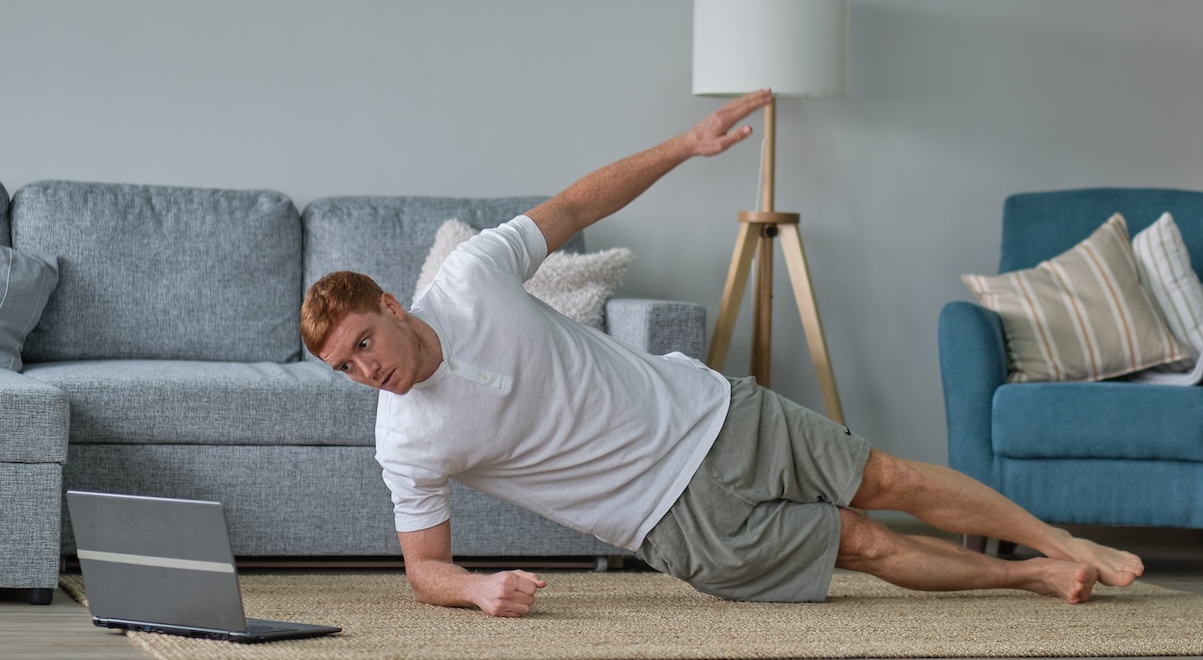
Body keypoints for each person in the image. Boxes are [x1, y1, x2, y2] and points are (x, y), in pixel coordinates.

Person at [301, 89, 1145, 618]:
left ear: (390, 304)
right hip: (670, 518)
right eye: (346, 367)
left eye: (365, 343)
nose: (367, 369)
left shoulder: (473, 273)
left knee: (889, 478)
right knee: (861, 542)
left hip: (710, 412)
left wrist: (685, 146)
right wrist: (479, 588)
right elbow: (426, 569)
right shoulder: (403, 439)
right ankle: (1026, 578)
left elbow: (573, 202)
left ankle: (1061, 542)